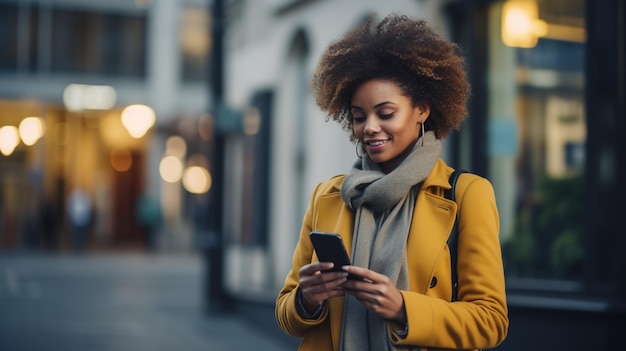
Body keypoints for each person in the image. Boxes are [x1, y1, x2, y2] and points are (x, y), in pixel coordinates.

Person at [275, 14, 508, 351]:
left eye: (385, 114)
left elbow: (490, 321)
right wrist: (306, 298)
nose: (369, 127)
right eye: (358, 117)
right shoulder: (327, 196)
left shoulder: (466, 194)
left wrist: (403, 308)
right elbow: (286, 315)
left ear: (422, 109)